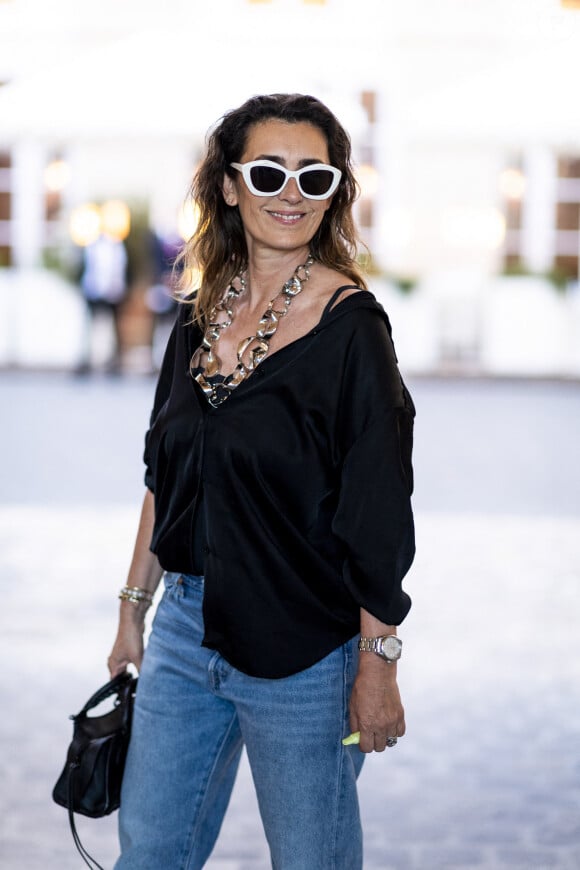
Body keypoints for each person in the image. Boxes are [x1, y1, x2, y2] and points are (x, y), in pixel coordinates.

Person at [108, 93, 416, 870]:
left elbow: (379, 512)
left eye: (314, 178)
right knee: (149, 854)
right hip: (183, 632)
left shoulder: (355, 330)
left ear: (334, 193)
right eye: (269, 171)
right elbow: (163, 478)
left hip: (304, 649)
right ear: (229, 185)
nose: (290, 193)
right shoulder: (196, 315)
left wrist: (377, 665)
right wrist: (132, 613)